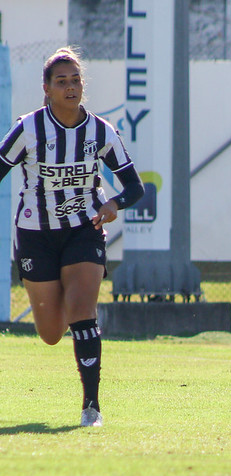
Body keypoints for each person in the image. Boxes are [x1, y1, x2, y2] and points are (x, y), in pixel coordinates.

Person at [0, 47, 144, 427]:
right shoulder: (28, 129)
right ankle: (61, 292)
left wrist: (114, 203)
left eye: (75, 80)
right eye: (61, 82)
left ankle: (91, 407)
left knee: (83, 310)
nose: (70, 87)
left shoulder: (101, 131)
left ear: (83, 85)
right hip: (36, 235)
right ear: (46, 89)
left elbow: (135, 187)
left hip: (85, 229)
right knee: (50, 334)